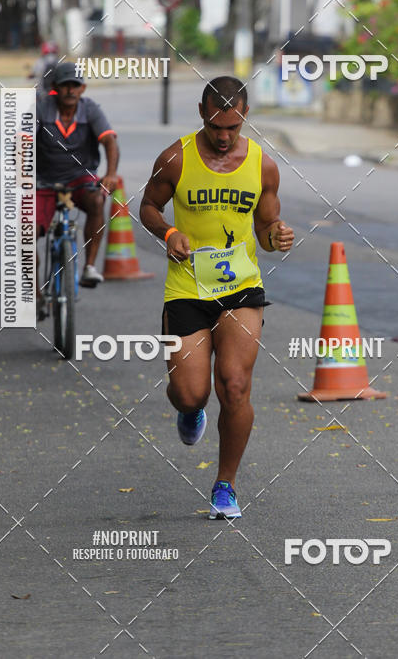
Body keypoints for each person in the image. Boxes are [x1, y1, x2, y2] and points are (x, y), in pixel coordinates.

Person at [139, 76, 294, 520]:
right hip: (187, 289)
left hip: (240, 289)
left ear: (245, 116)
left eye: (232, 127)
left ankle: (225, 485)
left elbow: (266, 228)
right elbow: (148, 206)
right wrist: (169, 232)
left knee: (235, 385)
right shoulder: (175, 158)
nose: (224, 137)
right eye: (215, 126)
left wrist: (276, 236)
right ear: (201, 114)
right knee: (190, 394)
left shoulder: (263, 165)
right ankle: (190, 412)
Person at [36, 61, 119, 311]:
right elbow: (21, 141)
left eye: (75, 85)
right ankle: (35, 293)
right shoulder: (41, 109)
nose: (70, 90)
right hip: (45, 181)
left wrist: (111, 174)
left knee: (97, 200)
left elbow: (110, 141)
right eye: (65, 85)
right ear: (55, 87)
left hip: (81, 178)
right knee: (25, 233)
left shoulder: (90, 109)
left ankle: (89, 267)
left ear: (82, 88)